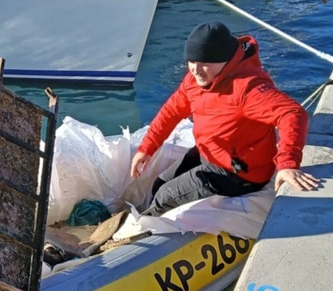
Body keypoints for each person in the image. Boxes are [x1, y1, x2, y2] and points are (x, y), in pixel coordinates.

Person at [131, 21, 319, 216]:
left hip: (240, 172)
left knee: (166, 196)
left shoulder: (247, 88)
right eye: (192, 61)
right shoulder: (194, 80)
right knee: (159, 183)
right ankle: (148, 219)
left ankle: (142, 232)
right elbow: (171, 111)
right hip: (210, 153)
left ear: (225, 61)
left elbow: (293, 113)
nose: (196, 70)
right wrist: (147, 148)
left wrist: (288, 164)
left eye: (205, 64)